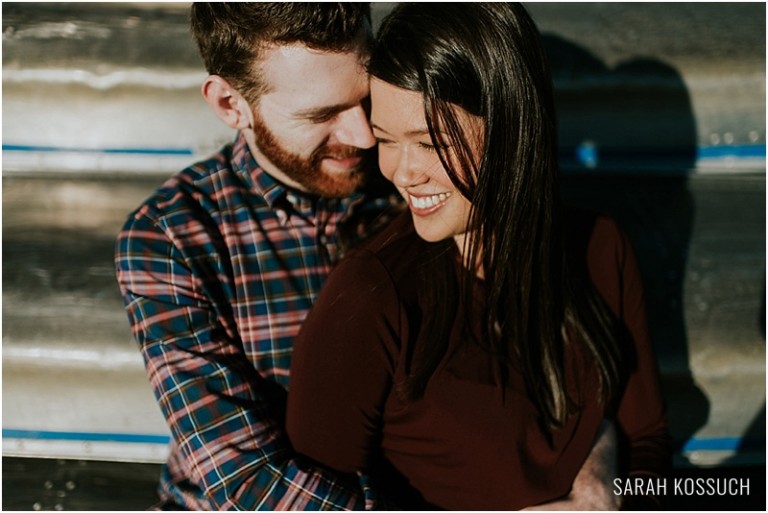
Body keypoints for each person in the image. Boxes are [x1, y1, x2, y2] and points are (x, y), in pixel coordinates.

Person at [286, 3, 672, 510]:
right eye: (386, 139)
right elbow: (313, 500)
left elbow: (649, 442)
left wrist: (608, 496)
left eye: (430, 142)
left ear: (512, 126)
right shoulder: (369, 299)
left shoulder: (600, 249)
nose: (403, 173)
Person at [114, 3, 400, 509]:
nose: (365, 134)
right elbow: (248, 481)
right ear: (230, 104)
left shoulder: (415, 177)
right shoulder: (173, 236)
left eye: (367, 95)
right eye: (322, 114)